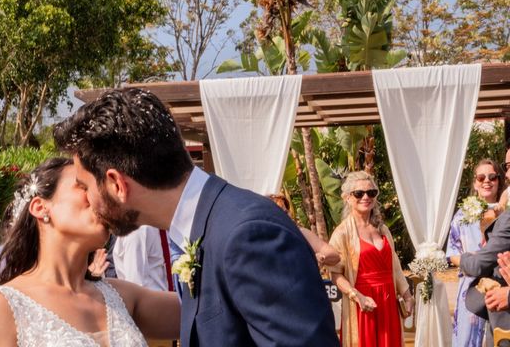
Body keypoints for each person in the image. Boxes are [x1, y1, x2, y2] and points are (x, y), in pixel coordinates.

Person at [54, 87, 338, 347]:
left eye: (85, 185)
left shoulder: (248, 235)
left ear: (117, 184)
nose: (86, 199)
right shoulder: (202, 227)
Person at [0, 157, 180, 347]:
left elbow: (209, 306)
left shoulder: (123, 297)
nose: (100, 197)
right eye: (83, 186)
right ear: (40, 207)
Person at [328, 171, 414, 347]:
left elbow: (395, 267)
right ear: (347, 198)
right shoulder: (342, 233)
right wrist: (357, 296)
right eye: (359, 193)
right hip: (363, 304)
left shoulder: (383, 229)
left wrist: (407, 295)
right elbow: (335, 274)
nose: (365, 197)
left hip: (388, 302)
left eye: (371, 193)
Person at [448, 159, 506, 346]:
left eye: (492, 177)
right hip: (472, 287)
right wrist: (470, 262)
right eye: (481, 177)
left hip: (499, 288)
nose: (486, 181)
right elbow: (452, 252)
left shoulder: (506, 214)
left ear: (499, 180)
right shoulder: (461, 216)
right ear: (475, 183)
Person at [267, 193, 340, 268]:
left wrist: (319, 257)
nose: (287, 216)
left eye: (286, 211)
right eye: (280, 213)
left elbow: (335, 255)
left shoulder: (302, 233)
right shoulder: (263, 243)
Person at [113, 225, 169, 291]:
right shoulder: (138, 231)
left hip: (167, 295)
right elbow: (135, 283)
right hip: (151, 298)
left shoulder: (158, 225)